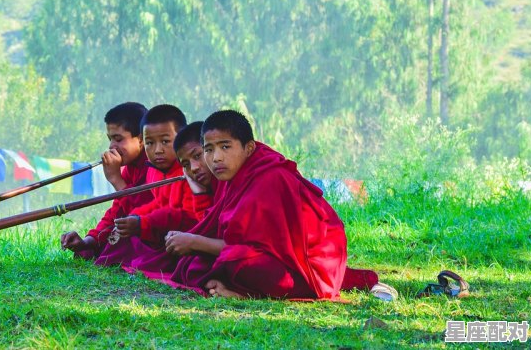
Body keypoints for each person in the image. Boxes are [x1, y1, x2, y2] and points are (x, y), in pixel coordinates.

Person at [146, 110, 349, 299]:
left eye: (225, 147)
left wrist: (194, 242)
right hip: (266, 257)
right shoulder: (234, 176)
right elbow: (225, 233)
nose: (216, 158)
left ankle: (241, 293)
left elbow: (255, 248)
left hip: (310, 268)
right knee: (194, 264)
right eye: (209, 149)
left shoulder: (269, 178)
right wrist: (193, 241)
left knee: (236, 261)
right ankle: (234, 286)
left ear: (249, 148)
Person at [95, 106, 212, 266]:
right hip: (165, 231)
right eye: (150, 143)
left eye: (165, 141)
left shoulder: (190, 171)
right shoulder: (153, 170)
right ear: (144, 141)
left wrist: (142, 222)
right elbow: (157, 203)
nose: (157, 150)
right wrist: (135, 217)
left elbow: (189, 218)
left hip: (188, 235)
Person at [60, 102, 150, 258]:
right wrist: (88, 241)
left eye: (118, 139)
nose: (111, 146)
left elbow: (143, 214)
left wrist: (115, 178)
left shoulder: (155, 165)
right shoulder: (131, 167)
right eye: (110, 139)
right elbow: (117, 212)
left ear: (141, 139)